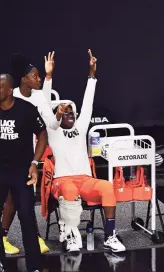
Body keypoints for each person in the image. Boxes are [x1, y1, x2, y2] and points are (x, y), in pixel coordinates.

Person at [47, 50, 125, 253]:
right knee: (70, 190)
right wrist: (48, 77)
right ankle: (71, 235)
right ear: (58, 115)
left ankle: (110, 235)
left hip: (85, 179)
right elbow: (46, 106)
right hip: (63, 181)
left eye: (72, 112)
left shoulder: (80, 128)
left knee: (107, 187)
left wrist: (92, 74)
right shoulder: (52, 131)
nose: (71, 115)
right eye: (66, 113)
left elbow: (88, 102)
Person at [3, 52, 56, 255]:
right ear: (24, 79)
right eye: (35, 75)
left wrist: (49, 77)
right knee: (12, 200)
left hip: (29, 156)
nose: (39, 78)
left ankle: (28, 237)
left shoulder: (38, 97)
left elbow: (49, 123)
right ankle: (6, 236)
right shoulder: (10, 95)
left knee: (23, 200)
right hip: (9, 158)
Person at [0, 73, 47, 272]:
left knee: (27, 216)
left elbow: (43, 135)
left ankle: (34, 266)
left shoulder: (26, 109)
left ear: (9, 90)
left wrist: (35, 162)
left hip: (22, 171)